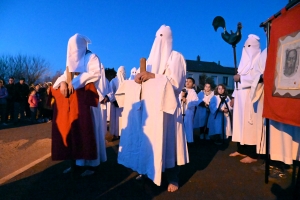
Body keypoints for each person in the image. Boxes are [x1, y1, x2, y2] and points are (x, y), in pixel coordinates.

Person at [117, 25, 189, 192]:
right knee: (150, 143)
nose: (160, 41)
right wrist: (139, 80)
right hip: (152, 111)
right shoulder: (148, 62)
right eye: (158, 37)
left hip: (168, 111)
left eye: (163, 37)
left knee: (170, 145)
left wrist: (153, 76)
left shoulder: (175, 57)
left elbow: (176, 83)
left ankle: (173, 177)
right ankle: (148, 171)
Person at [51, 33, 106, 176]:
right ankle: (76, 163)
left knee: (89, 130)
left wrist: (74, 83)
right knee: (76, 132)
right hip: (74, 104)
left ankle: (92, 165)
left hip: (88, 101)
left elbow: (94, 74)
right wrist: (62, 82)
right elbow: (65, 76)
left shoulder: (91, 58)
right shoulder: (70, 63)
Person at [230, 34, 261, 163]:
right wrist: (233, 96)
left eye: (250, 46)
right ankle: (241, 149)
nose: (247, 49)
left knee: (250, 124)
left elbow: (257, 78)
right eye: (245, 46)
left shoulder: (259, 60)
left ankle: (253, 154)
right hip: (240, 96)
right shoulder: (243, 63)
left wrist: (241, 79)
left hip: (251, 96)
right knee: (239, 123)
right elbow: (237, 82)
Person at [180, 77, 198, 143]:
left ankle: (188, 140)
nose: (187, 82)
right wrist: (181, 97)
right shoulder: (181, 90)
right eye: (186, 81)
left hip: (188, 112)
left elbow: (195, 102)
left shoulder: (193, 93)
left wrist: (186, 101)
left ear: (193, 84)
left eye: (190, 81)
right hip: (181, 110)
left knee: (188, 125)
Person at [109, 66, 125, 140]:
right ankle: (114, 134)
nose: (122, 74)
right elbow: (111, 91)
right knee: (115, 120)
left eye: (123, 72)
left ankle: (121, 133)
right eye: (121, 72)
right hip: (115, 104)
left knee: (122, 120)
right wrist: (114, 100)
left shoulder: (126, 82)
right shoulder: (113, 81)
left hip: (123, 105)